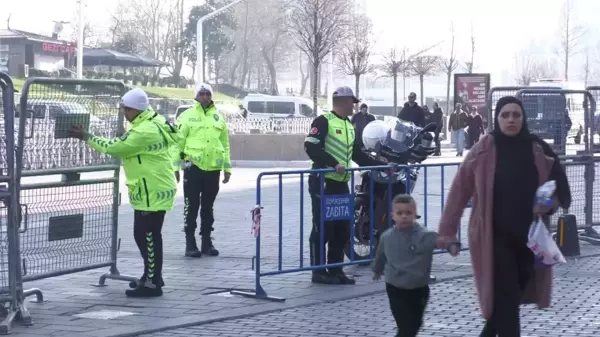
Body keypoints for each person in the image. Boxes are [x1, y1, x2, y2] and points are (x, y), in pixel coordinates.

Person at [437, 96, 571, 337]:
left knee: (509, 298)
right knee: (506, 297)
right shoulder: (483, 149)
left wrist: (548, 204)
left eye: (516, 115)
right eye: (505, 115)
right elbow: (459, 192)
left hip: (531, 240)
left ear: (523, 119)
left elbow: (560, 188)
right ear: (497, 119)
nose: (511, 119)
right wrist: (447, 233)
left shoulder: (538, 148)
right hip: (493, 238)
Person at [70, 88, 179, 297]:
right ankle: (153, 275)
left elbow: (114, 148)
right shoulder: (153, 120)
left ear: (136, 110)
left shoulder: (144, 131)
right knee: (144, 234)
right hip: (152, 187)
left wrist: (87, 136)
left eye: (126, 110)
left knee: (148, 236)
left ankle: (152, 283)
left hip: (152, 190)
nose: (124, 113)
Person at [304, 86, 380, 285]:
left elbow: (356, 154)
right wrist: (332, 163)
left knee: (343, 228)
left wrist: (380, 165)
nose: (354, 106)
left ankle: (336, 269)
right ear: (345, 102)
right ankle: (318, 271)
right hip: (323, 182)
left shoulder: (349, 125)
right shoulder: (323, 121)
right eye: (352, 103)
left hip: (341, 184)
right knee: (323, 228)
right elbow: (310, 146)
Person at [372, 194, 461, 337]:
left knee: (416, 324)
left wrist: (451, 245)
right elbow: (380, 255)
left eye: (408, 213)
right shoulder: (387, 237)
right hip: (396, 287)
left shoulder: (423, 235)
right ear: (392, 215)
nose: (404, 216)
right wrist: (377, 269)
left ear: (415, 214)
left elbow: (440, 240)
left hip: (419, 289)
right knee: (406, 327)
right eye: (400, 213)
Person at [174, 83, 232, 258]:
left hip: (212, 168)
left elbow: (225, 144)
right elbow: (178, 142)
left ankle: (207, 242)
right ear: (196, 96)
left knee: (208, 207)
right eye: (202, 93)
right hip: (193, 168)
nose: (205, 97)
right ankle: (190, 243)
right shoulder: (186, 116)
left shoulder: (218, 117)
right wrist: (176, 166)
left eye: (208, 94)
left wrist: (227, 167)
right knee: (191, 206)